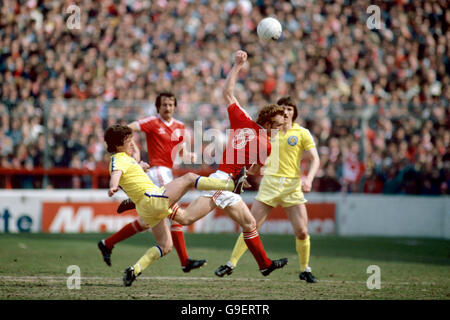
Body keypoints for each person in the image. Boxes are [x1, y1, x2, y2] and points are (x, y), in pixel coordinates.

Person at [158, 50, 289, 277]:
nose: (280, 129)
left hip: (228, 181)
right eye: (277, 125)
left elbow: (227, 92)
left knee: (249, 224)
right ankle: (150, 202)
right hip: (223, 182)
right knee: (185, 218)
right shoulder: (266, 145)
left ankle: (265, 265)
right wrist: (250, 173)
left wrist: (237, 65)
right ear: (267, 123)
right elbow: (256, 170)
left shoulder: (243, 120)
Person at [102, 124, 245, 286]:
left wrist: (140, 166)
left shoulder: (126, 159)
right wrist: (113, 186)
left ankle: (134, 270)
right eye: (128, 140)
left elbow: (129, 168)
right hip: (153, 199)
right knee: (189, 178)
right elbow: (116, 172)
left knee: (165, 246)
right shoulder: (118, 159)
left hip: (147, 208)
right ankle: (231, 185)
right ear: (118, 145)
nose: (132, 142)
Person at [214, 96, 321, 283]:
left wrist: (309, 179)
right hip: (269, 184)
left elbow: (315, 158)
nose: (286, 112)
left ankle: (305, 268)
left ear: (294, 112)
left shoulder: (302, 133)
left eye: (289, 108)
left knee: (302, 231)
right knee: (251, 225)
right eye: (283, 108)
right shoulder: (268, 133)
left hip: (292, 186)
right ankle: (231, 263)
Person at [98, 92, 206, 273]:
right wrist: (134, 148)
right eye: (164, 104)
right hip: (157, 171)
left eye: (171, 104)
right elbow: (127, 130)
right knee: (174, 212)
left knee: (146, 222)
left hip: (166, 172)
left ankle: (107, 243)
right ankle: (184, 261)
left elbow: (180, 153)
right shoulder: (152, 122)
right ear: (158, 107)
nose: (168, 107)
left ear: (175, 106)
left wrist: (189, 156)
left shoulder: (179, 126)